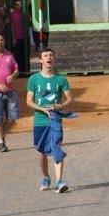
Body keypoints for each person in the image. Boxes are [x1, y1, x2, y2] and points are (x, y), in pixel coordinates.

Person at [26, 48, 74, 192]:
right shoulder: (33, 79)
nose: (49, 57)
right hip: (40, 120)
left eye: (51, 55)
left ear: (54, 59)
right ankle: (46, 176)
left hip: (55, 120)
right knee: (41, 151)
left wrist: (60, 105)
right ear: (41, 60)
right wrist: (42, 109)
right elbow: (29, 101)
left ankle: (59, 181)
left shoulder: (61, 79)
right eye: (45, 56)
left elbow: (70, 98)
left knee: (56, 148)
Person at [10, 0, 27, 73]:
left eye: (20, 4)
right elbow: (12, 26)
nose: (19, 6)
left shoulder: (23, 13)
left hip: (24, 36)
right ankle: (18, 72)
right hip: (16, 37)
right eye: (17, 4)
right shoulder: (12, 14)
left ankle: (24, 70)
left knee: (24, 54)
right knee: (17, 55)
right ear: (14, 5)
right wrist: (13, 38)